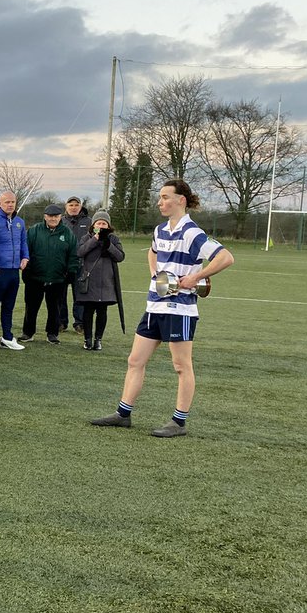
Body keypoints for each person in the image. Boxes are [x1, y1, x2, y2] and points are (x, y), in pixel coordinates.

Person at [91, 180, 235, 437]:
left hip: (180, 310)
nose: (160, 201)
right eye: (160, 197)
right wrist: (154, 273)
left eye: (165, 197)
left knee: (181, 366)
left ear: (181, 200)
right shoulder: (160, 230)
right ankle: (123, 414)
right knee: (135, 360)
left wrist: (194, 277)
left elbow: (225, 257)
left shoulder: (192, 232)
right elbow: (153, 252)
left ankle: (178, 422)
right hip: (154, 306)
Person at [19, 203, 79, 346]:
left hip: (57, 278)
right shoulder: (34, 231)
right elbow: (26, 251)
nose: (53, 219)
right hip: (35, 277)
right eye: (50, 216)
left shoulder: (67, 233)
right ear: (45, 216)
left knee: (55, 308)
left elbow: (73, 254)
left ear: (60, 217)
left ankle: (52, 333)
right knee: (31, 307)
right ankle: (28, 332)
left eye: (56, 216)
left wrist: (71, 271)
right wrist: (26, 270)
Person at [0, 191, 28, 351]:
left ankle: (7, 337)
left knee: (9, 306)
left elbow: (23, 242)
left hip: (14, 271)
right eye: (7, 202)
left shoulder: (19, 222)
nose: (10, 205)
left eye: (13, 202)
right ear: (0, 203)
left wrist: (25, 258)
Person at [76, 211, 124, 351]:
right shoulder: (87, 237)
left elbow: (120, 256)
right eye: (98, 223)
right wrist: (95, 240)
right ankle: (87, 339)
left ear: (108, 226)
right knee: (88, 311)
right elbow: (80, 252)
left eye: (104, 223)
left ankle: (98, 340)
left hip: (106, 282)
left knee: (102, 312)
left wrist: (108, 244)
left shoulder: (113, 239)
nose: (101, 225)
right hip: (90, 281)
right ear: (93, 225)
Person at [60, 196, 92, 335]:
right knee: (60, 295)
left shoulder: (89, 222)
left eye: (76, 205)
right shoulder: (60, 221)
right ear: (66, 206)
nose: (73, 207)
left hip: (81, 264)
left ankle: (79, 323)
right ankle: (61, 322)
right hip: (62, 264)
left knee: (79, 295)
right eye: (71, 204)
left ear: (81, 206)